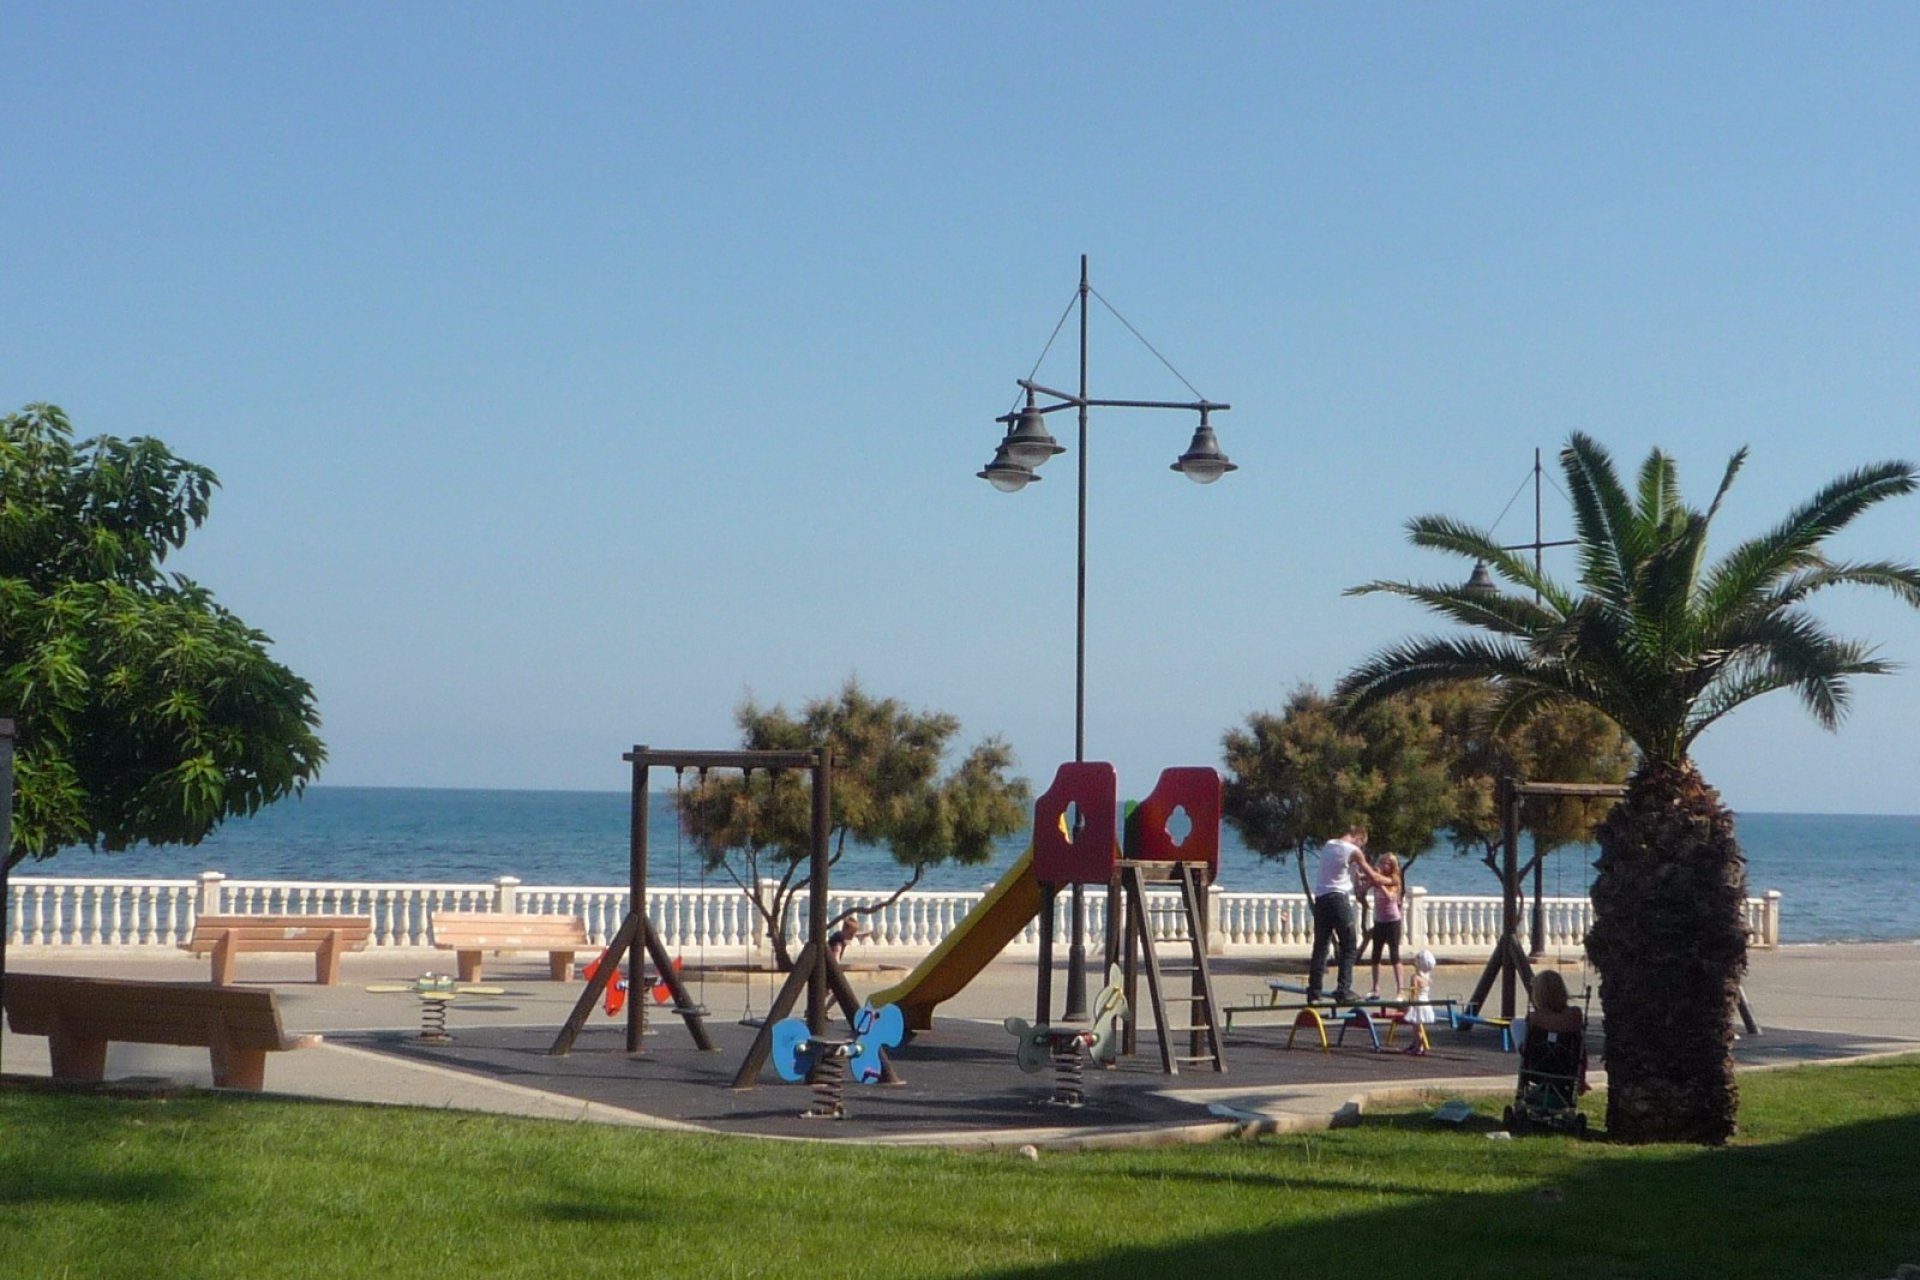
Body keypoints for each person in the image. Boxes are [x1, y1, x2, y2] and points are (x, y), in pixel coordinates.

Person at [1306, 826, 1369, 1003]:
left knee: (1320, 947)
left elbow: (1340, 869)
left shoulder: (1328, 845)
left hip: (1321, 899)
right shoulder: (1353, 850)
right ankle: (1343, 991)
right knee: (1349, 945)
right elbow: (1370, 873)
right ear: (1358, 838)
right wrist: (1386, 881)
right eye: (1362, 845)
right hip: (1338, 900)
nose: (1361, 849)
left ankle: (1314, 992)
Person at [1527, 967, 1590, 1092]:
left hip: (1536, 1070)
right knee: (1578, 1044)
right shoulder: (1574, 1015)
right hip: (1566, 1070)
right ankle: (1581, 1082)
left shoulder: (1534, 1018)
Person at [1365, 852, 1406, 999]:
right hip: (1379, 921)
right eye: (1382, 862)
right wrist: (1363, 879)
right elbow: (1362, 888)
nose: (1384, 865)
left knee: (1394, 955)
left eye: (1387, 863)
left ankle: (1400, 990)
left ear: (1393, 866)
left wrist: (1379, 883)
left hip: (1393, 921)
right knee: (1375, 955)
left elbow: (1390, 897)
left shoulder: (1394, 880)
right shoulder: (1378, 879)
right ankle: (1375, 988)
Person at [1402, 948, 1438, 1055]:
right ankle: (1418, 1045)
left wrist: (1409, 1003)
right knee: (1419, 1026)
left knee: (1416, 1027)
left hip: (1418, 1004)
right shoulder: (1427, 979)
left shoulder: (1415, 978)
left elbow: (1414, 993)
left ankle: (1418, 1046)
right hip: (1425, 1002)